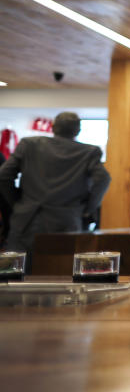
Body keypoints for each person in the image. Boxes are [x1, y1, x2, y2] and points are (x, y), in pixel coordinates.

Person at [0, 112, 110, 273]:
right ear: (78, 130)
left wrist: (17, 202)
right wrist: (88, 208)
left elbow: (4, 176)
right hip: (67, 223)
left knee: (16, 274)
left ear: (53, 127)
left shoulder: (29, 144)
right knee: (61, 275)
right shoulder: (88, 152)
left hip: (26, 221)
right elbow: (103, 179)